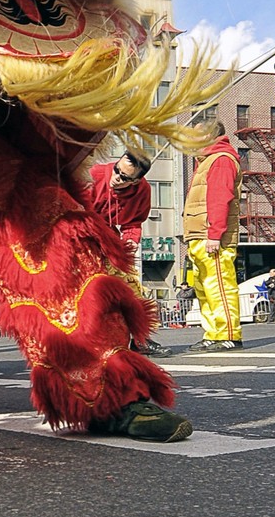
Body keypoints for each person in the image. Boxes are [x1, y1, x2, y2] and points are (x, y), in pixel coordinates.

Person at [88, 152, 171, 358]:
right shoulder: (93, 174)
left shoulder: (143, 191)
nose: (116, 177)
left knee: (130, 283)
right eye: (117, 170)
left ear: (137, 180)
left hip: (108, 235)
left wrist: (131, 241)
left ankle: (140, 339)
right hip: (79, 232)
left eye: (124, 177)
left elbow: (133, 222)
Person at [184, 123, 243, 352]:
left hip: (211, 235)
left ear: (209, 135)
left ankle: (227, 334)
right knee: (205, 287)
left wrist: (215, 234)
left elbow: (220, 198)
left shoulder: (220, 159)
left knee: (218, 285)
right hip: (202, 234)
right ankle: (213, 334)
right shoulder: (210, 160)